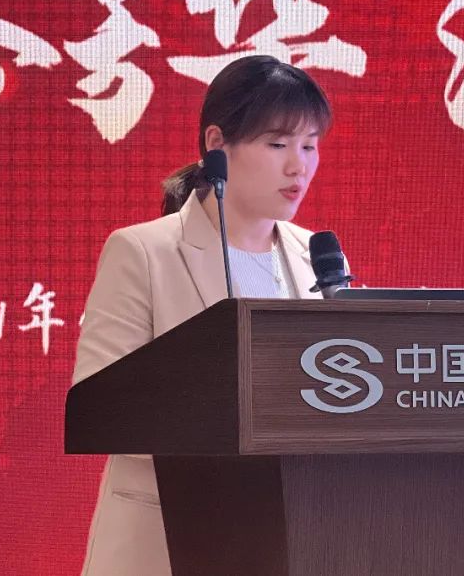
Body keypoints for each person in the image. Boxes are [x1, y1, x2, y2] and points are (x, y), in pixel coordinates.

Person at [70, 55, 333, 576]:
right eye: (277, 144)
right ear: (217, 143)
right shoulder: (143, 252)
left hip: (291, 541)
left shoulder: (317, 257)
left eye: (309, 146)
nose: (298, 166)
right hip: (167, 539)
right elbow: (101, 409)